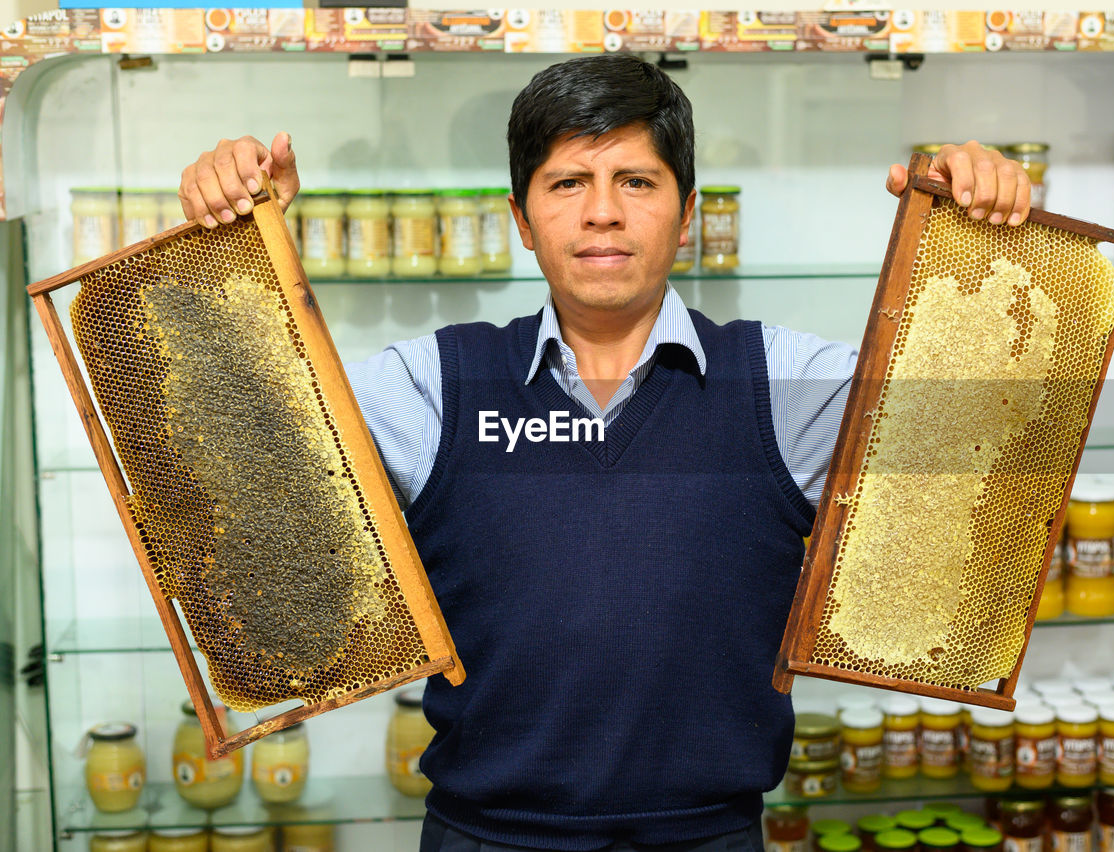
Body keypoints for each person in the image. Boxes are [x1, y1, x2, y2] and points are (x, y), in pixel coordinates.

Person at [179, 54, 1030, 852]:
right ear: (520, 219)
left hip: (713, 834)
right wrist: (241, 241)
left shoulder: (782, 383)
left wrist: (983, 238)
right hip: (485, 836)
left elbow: (975, 448)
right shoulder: (436, 382)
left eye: (636, 181)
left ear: (687, 212)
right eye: (567, 184)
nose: (602, 213)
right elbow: (251, 454)